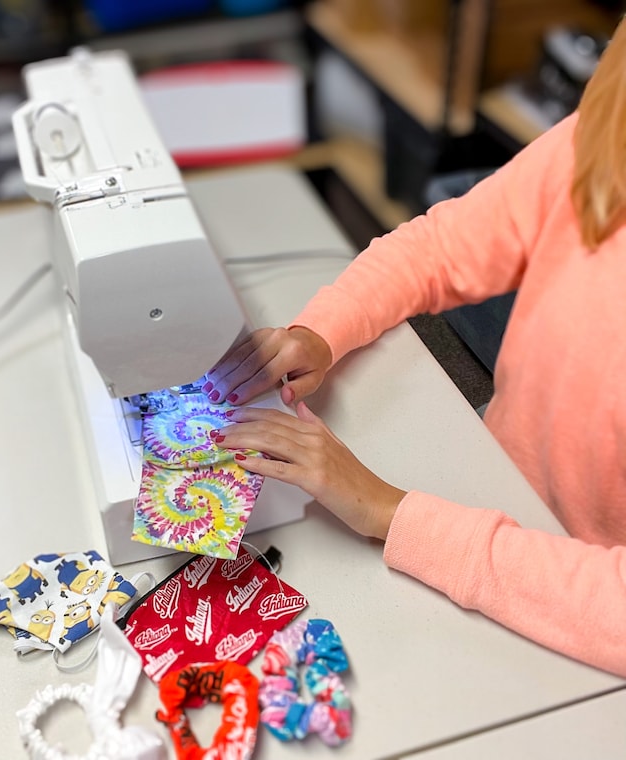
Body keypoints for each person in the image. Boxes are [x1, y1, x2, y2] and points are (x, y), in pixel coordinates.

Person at [201, 16, 626, 678]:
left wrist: (387, 511)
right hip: (494, 482)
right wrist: (322, 331)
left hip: (569, 603)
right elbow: (442, 246)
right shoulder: (601, 140)